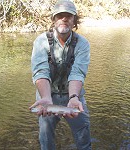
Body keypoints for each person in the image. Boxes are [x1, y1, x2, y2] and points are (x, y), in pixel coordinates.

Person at [29, 0, 91, 149]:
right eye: (60, 15)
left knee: (83, 133)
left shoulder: (82, 44)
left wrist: (74, 97)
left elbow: (78, 73)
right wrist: (45, 97)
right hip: (48, 97)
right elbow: (40, 71)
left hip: (74, 97)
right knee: (46, 137)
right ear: (53, 19)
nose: (64, 19)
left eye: (68, 16)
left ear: (74, 20)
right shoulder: (41, 42)